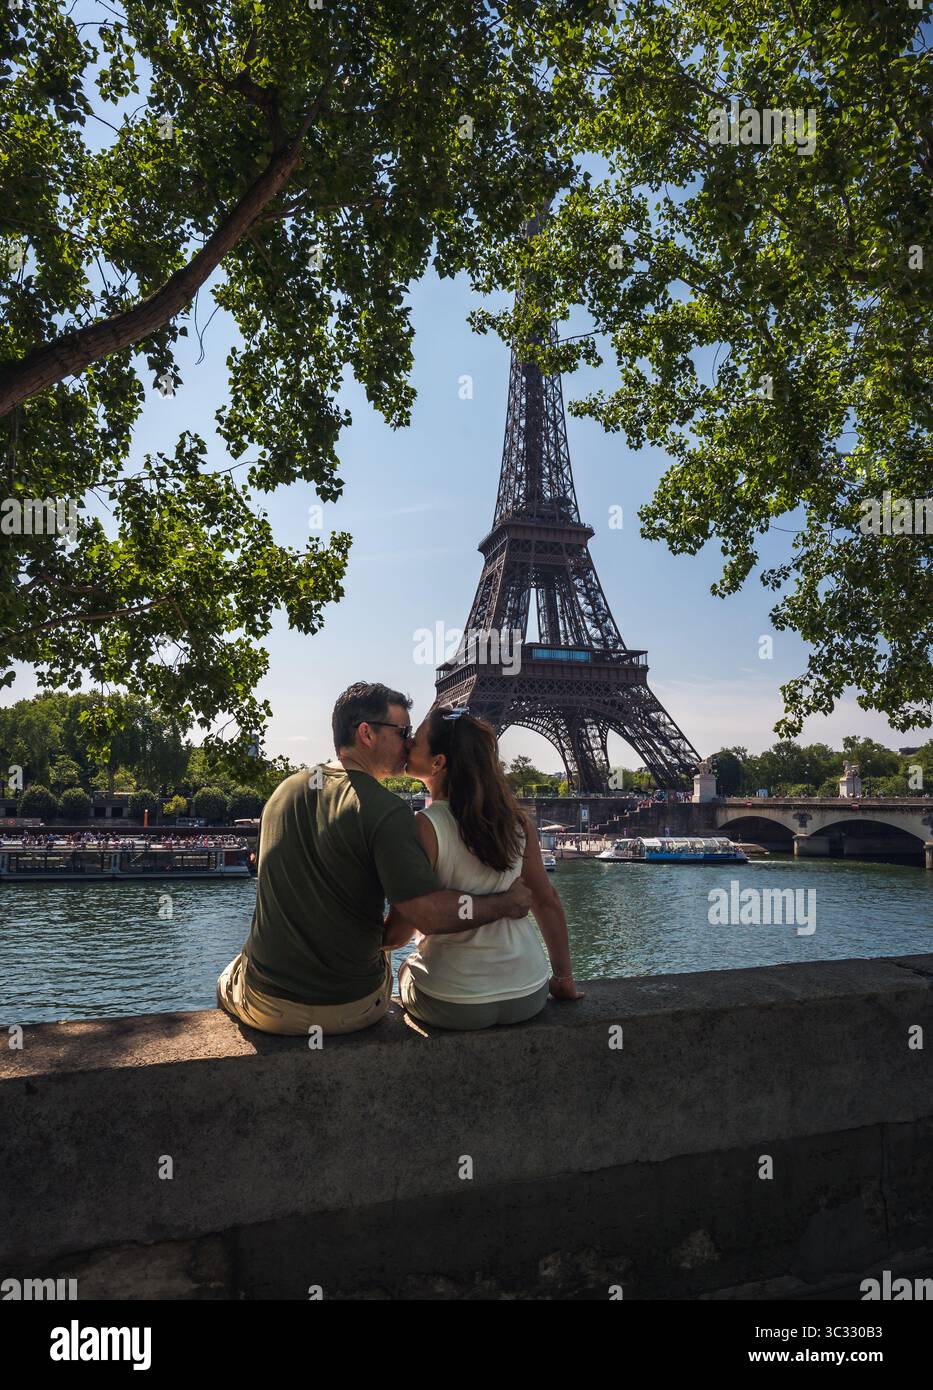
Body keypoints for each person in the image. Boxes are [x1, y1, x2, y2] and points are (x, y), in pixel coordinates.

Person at [217, 682, 533, 1036]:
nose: (409, 743)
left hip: (266, 1007)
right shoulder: (389, 812)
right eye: (402, 732)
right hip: (353, 1007)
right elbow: (423, 915)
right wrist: (504, 904)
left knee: (232, 972)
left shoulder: (282, 792)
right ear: (366, 733)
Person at [386, 705, 583, 1030]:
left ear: (438, 762)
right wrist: (563, 979)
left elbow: (402, 930)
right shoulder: (517, 822)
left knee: (406, 968)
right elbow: (547, 902)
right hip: (527, 993)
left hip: (452, 1001)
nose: (407, 744)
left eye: (416, 740)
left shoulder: (424, 826)